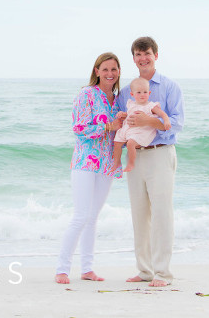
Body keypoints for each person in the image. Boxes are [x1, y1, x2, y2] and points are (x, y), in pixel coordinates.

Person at [115, 37, 184, 287]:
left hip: (160, 153)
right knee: (139, 213)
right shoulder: (126, 92)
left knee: (162, 213)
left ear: (156, 55)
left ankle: (162, 273)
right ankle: (144, 270)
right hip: (135, 156)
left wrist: (149, 122)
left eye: (147, 53)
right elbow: (120, 124)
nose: (143, 58)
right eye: (138, 54)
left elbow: (177, 122)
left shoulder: (169, 86)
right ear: (133, 58)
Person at [55, 52, 125, 284]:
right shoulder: (87, 94)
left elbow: (121, 132)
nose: (109, 74)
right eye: (105, 69)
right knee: (81, 216)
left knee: (93, 217)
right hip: (85, 161)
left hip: (107, 164)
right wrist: (108, 126)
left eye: (113, 69)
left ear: (119, 72)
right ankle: (62, 269)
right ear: (97, 71)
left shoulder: (118, 100)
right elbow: (79, 128)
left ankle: (87, 269)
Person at [113, 77, 171, 172]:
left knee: (130, 144)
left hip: (141, 131)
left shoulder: (150, 106)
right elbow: (129, 114)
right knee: (116, 142)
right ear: (132, 94)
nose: (142, 95)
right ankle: (116, 163)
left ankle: (131, 163)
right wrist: (123, 114)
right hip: (128, 129)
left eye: (145, 92)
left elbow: (163, 114)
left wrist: (167, 121)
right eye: (139, 92)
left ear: (149, 93)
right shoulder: (131, 104)